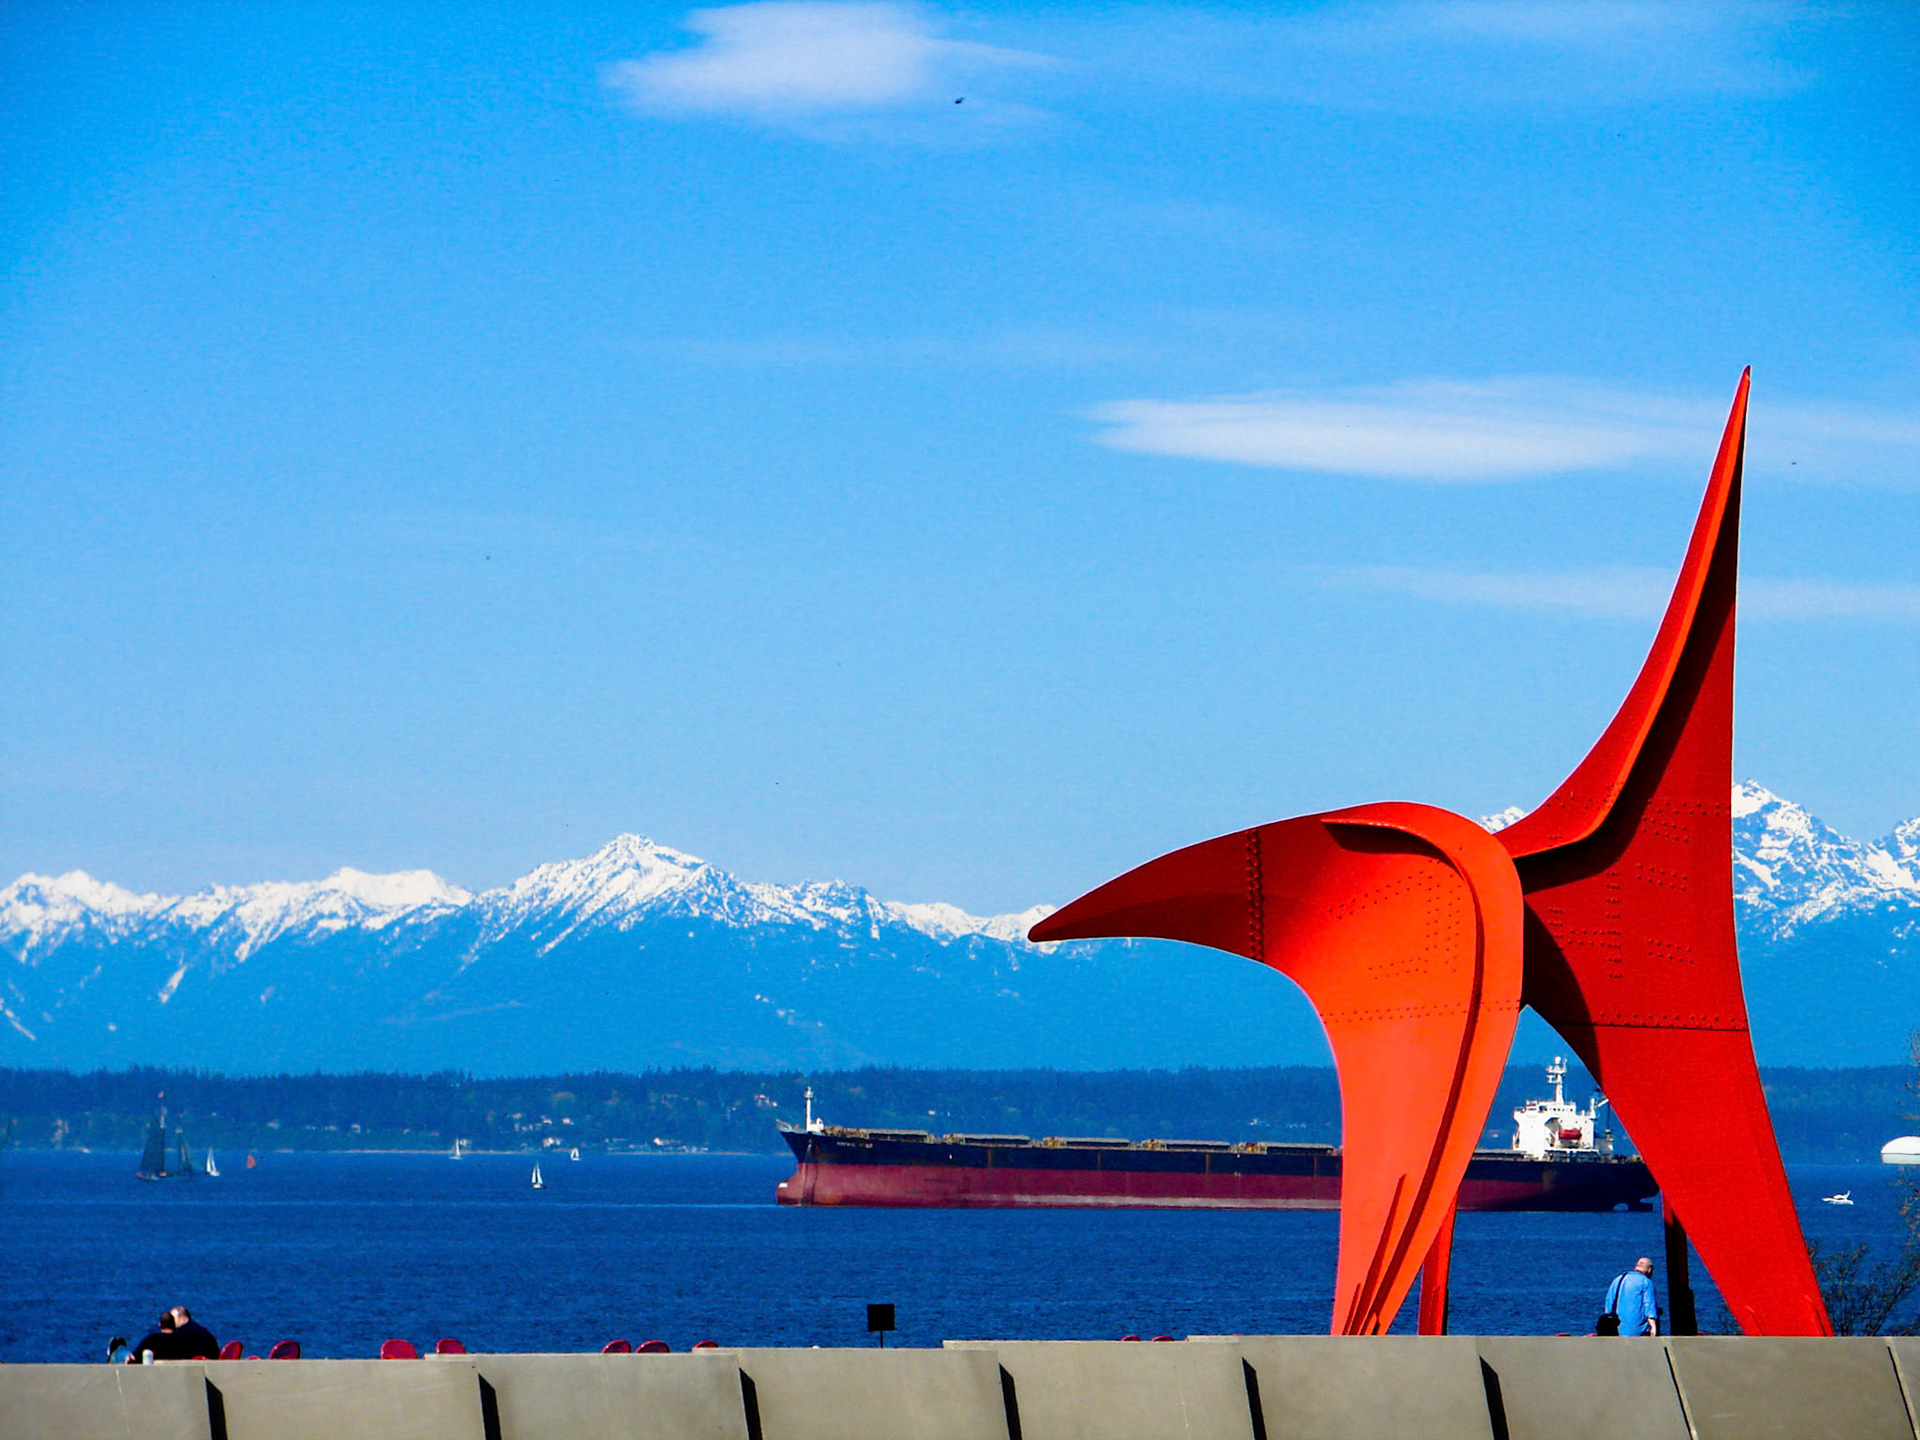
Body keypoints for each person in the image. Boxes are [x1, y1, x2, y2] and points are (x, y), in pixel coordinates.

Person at [1602, 1257, 1660, 1336]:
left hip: (1617, 1329)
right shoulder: (1646, 1282)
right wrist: (1653, 1327)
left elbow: (1609, 1303)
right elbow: (1649, 1307)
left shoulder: (1618, 1279)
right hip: (1638, 1331)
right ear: (1649, 1269)